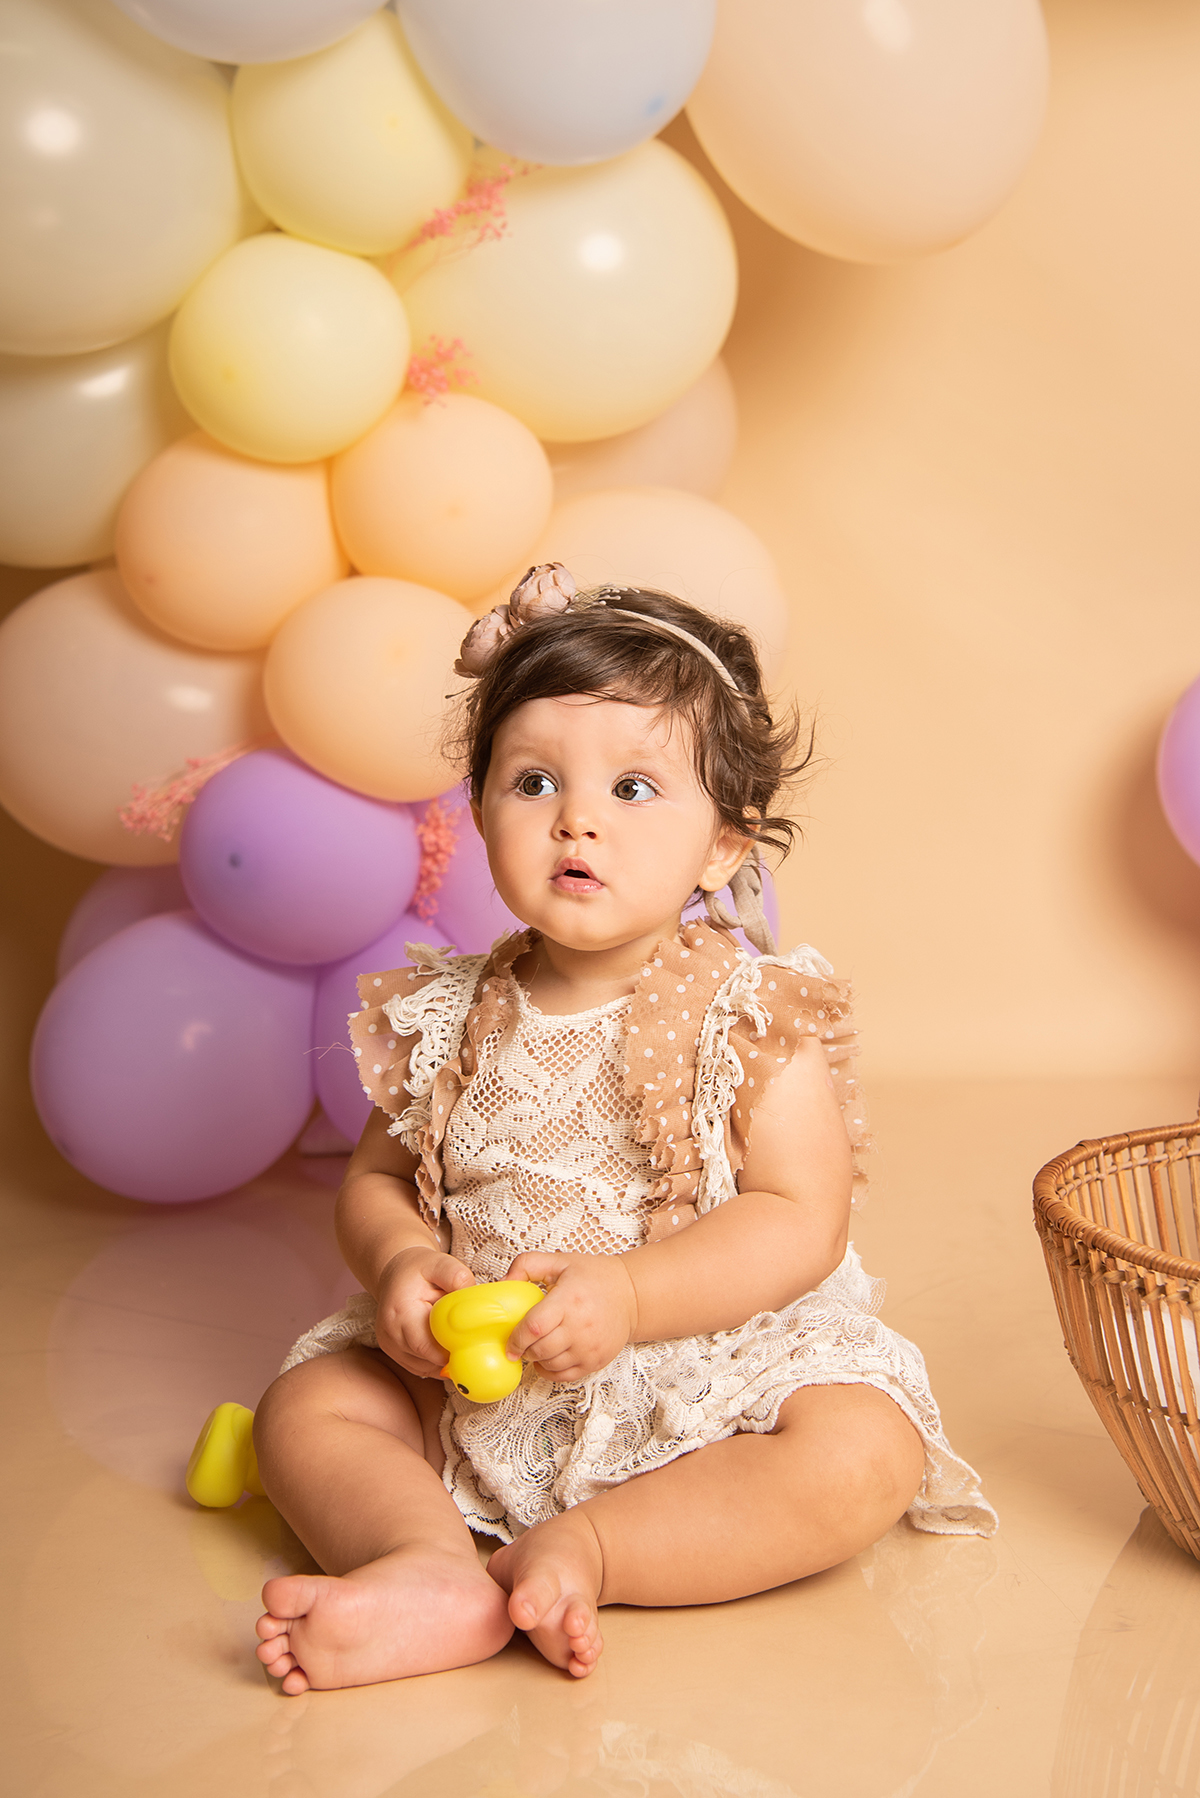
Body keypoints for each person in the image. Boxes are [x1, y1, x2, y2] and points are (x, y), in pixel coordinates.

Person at [253, 564, 995, 1696]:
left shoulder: (748, 1012)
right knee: (309, 1408)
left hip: (692, 1370)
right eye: (533, 781)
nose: (577, 817)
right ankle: (428, 1565)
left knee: (862, 1448)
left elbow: (800, 1216)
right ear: (480, 812)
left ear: (725, 845)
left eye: (635, 787)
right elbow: (377, 1181)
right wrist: (400, 1259)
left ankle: (595, 1549)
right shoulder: (444, 1013)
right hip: (477, 1374)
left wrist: (635, 1299)